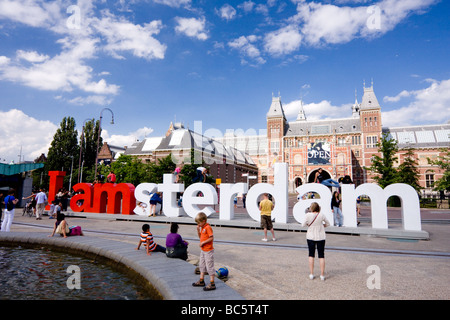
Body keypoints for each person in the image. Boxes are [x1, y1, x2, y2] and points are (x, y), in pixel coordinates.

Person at [302, 202, 330, 281]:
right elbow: (328, 223)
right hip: (321, 236)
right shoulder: (321, 215)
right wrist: (322, 226)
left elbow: (303, 225)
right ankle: (322, 275)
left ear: (311, 208)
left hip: (310, 236)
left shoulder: (307, 215)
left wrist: (308, 224)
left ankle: (311, 273)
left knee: (311, 255)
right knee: (321, 255)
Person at [192, 212, 216, 291]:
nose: (198, 224)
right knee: (202, 265)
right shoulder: (202, 227)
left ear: (204, 221)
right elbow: (201, 237)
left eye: (199, 223)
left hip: (208, 250)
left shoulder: (208, 227)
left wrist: (203, 243)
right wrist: (198, 230)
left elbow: (211, 238)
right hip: (203, 250)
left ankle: (212, 283)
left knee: (209, 266)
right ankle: (201, 280)